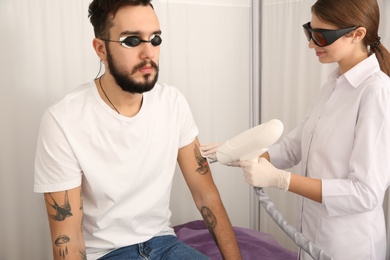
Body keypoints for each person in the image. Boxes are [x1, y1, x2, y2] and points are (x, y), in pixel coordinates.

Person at [33, 0, 242, 259]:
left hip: (165, 244)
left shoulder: (172, 102)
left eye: (155, 39)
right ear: (100, 49)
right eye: (131, 41)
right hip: (108, 254)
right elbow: (68, 238)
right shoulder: (63, 120)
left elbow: (206, 194)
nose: (148, 53)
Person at [202, 0, 390, 259]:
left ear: (357, 34)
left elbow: (365, 193)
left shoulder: (376, 93)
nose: (311, 43)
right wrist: (242, 153)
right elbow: (295, 147)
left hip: (349, 246)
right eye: (309, 31)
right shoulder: (334, 84)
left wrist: (282, 180)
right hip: (311, 238)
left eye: (321, 36)